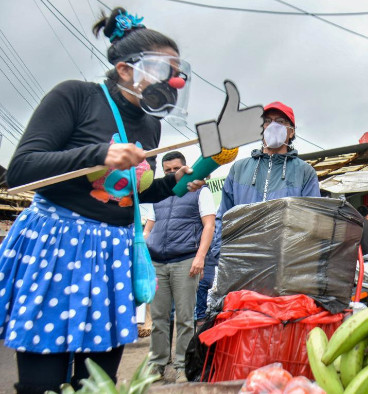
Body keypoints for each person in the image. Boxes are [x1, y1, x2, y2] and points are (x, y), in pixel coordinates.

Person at [0, 7, 203, 392]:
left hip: (112, 255)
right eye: (164, 69)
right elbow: (22, 170)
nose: (174, 81)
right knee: (43, 381)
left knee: (97, 382)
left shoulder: (151, 123)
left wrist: (177, 181)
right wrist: (98, 154)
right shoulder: (75, 96)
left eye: (177, 73)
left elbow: (131, 193)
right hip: (58, 248)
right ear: (126, 69)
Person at [208, 102, 320, 265]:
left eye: (280, 121)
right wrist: (220, 253)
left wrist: (302, 260)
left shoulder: (304, 172)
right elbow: (223, 215)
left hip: (285, 262)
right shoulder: (239, 169)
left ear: (291, 131)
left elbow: (312, 220)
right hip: (242, 260)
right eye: (267, 121)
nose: (273, 126)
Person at [142, 151, 215, 382]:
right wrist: (143, 253)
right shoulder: (158, 195)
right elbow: (148, 229)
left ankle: (183, 365)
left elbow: (209, 225)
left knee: (185, 317)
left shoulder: (200, 192)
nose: (172, 174)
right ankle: (157, 364)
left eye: (176, 169)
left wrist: (200, 256)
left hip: (185, 261)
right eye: (168, 171)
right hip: (157, 262)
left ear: (185, 168)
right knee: (158, 318)